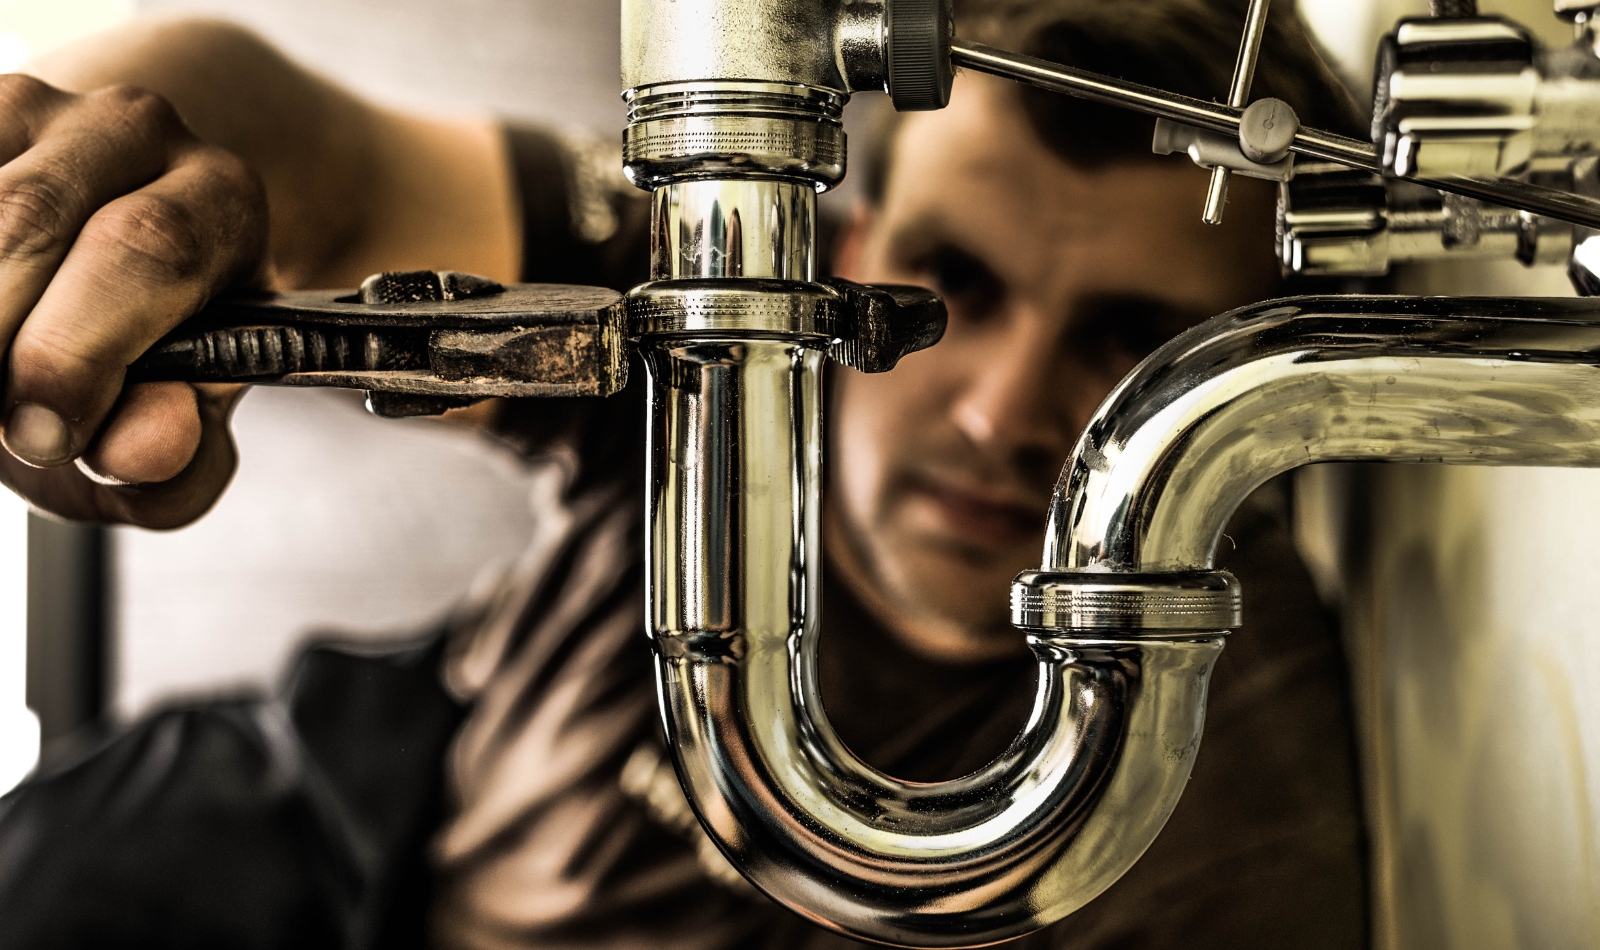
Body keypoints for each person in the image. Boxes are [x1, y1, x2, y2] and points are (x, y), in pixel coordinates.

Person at [0, 0, 1370, 947]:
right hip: (354, 821)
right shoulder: (733, 303)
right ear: (852, 244)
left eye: (1134, 340)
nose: (1006, 414)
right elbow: (312, 152)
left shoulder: (1220, 790)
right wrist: (101, 188)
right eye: (957, 284)